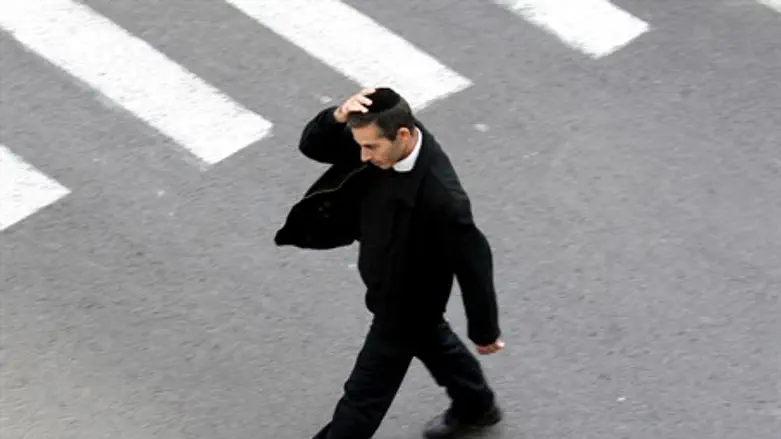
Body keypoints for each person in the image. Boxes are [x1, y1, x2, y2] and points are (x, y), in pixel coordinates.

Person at [274, 87, 504, 439]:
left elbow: (474, 260)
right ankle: (477, 405)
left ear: (403, 136)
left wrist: (484, 329)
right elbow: (313, 147)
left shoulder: (442, 199)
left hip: (406, 302)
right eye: (359, 144)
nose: (362, 156)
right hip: (387, 278)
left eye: (370, 148)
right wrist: (337, 116)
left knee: (362, 399)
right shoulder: (381, 136)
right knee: (432, 340)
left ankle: (476, 404)